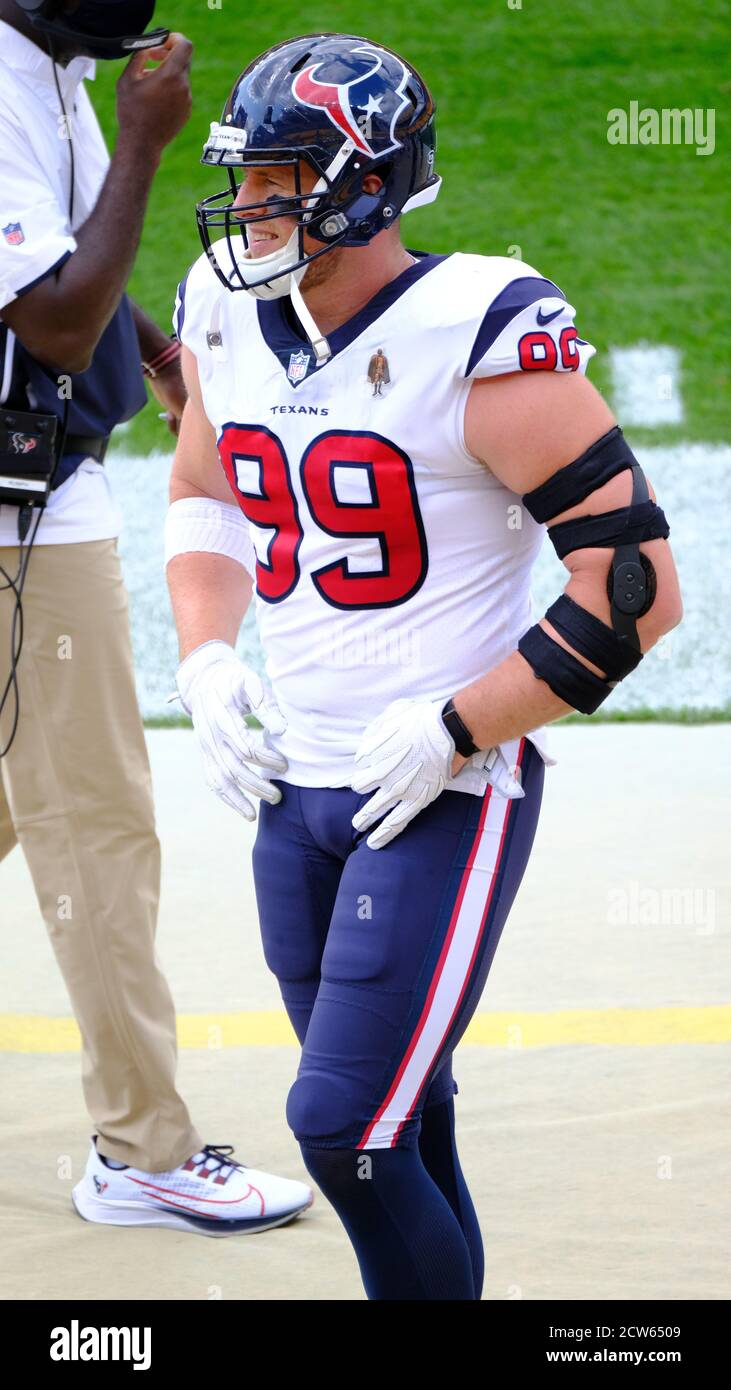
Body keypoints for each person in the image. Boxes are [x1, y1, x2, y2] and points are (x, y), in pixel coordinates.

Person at [165, 32, 682, 1295]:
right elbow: (202, 493)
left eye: (280, 178)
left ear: (364, 184)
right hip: (297, 791)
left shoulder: (479, 326)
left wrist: (460, 722)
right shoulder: (223, 305)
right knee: (401, 1111)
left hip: (441, 793)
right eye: (246, 175)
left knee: (339, 1126)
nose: (247, 205)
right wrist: (206, 661)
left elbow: (634, 589)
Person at [0, 0, 311, 1236]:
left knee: (25, 805)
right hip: (23, 513)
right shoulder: (28, 80)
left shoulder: (42, 58)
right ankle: (143, 1149)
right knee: (97, 832)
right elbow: (52, 315)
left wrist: (165, 353)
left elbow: (63, 260)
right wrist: (144, 142)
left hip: (30, 492)